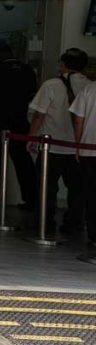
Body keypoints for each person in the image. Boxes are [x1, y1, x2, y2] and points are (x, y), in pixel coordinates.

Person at [27, 49, 89, 233]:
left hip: (51, 147)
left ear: (62, 64)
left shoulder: (51, 85)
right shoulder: (89, 86)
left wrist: (31, 136)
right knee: (77, 190)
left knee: (46, 188)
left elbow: (39, 114)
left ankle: (44, 222)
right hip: (78, 148)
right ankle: (74, 222)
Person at [0, 43, 38, 213]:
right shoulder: (27, 70)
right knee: (24, 164)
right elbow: (33, 94)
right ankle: (32, 200)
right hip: (20, 123)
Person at [69, 80, 96, 263]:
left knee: (92, 194)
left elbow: (79, 119)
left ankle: (94, 235)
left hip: (90, 150)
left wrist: (78, 145)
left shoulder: (89, 88)